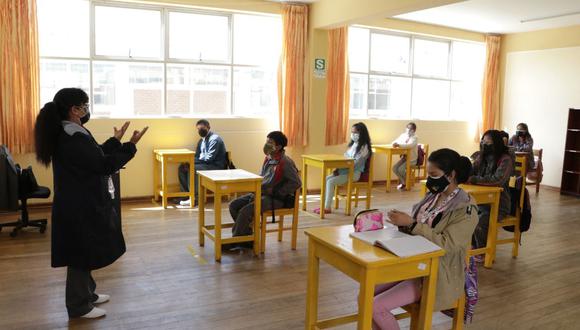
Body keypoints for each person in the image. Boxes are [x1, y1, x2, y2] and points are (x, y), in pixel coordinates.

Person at [34, 88, 148, 319]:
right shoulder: (71, 136)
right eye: (84, 105)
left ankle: (88, 293)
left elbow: (96, 155)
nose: (87, 109)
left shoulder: (72, 131)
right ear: (74, 110)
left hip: (79, 200)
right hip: (79, 204)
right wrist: (131, 146)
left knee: (85, 249)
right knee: (80, 253)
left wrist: (116, 141)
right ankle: (78, 306)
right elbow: (104, 165)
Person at [373, 148, 478, 330]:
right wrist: (403, 223)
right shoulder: (433, 196)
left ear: (451, 175)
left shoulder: (465, 208)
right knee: (366, 292)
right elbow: (418, 225)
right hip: (414, 262)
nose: (429, 179)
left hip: (437, 272)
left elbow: (448, 244)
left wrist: (412, 224)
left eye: (433, 174)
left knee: (375, 307)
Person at [228, 131, 301, 247]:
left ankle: (236, 240)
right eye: (266, 141)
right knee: (233, 205)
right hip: (261, 193)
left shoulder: (285, 162)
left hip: (276, 199)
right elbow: (263, 177)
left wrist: (278, 191)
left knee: (245, 211)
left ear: (278, 147)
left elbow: (296, 182)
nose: (267, 144)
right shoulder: (268, 158)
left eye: (270, 142)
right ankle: (246, 238)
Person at [468, 130, 514, 249]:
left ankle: (482, 250)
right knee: (464, 217)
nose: (484, 144)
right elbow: (471, 171)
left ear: (496, 143)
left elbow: (497, 180)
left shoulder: (505, 159)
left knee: (480, 222)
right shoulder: (481, 157)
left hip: (498, 205)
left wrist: (473, 179)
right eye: (483, 141)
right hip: (480, 202)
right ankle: (473, 247)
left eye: (488, 142)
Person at [314, 122, 372, 214]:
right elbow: (345, 158)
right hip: (345, 171)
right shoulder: (354, 145)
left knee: (330, 181)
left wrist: (341, 170)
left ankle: (327, 208)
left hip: (354, 173)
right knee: (327, 178)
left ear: (362, 134)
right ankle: (324, 205)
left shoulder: (364, 148)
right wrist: (338, 170)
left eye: (355, 133)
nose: (353, 135)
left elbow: (355, 164)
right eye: (352, 132)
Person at [178, 119, 227, 206]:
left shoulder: (214, 139)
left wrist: (192, 162)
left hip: (215, 166)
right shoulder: (201, 140)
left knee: (193, 168)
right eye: (198, 129)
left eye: (202, 128)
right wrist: (189, 162)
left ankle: (195, 198)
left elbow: (209, 159)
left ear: (208, 127)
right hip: (205, 164)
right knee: (182, 167)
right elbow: (197, 156)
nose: (200, 130)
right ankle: (185, 195)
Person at [392, 122, 418, 190]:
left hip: (411, 159)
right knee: (394, 168)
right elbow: (395, 141)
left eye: (411, 129)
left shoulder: (415, 137)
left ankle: (406, 182)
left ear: (414, 130)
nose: (409, 130)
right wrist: (395, 143)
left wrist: (399, 145)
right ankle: (404, 182)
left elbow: (409, 145)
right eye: (408, 128)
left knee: (401, 169)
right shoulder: (403, 135)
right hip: (404, 158)